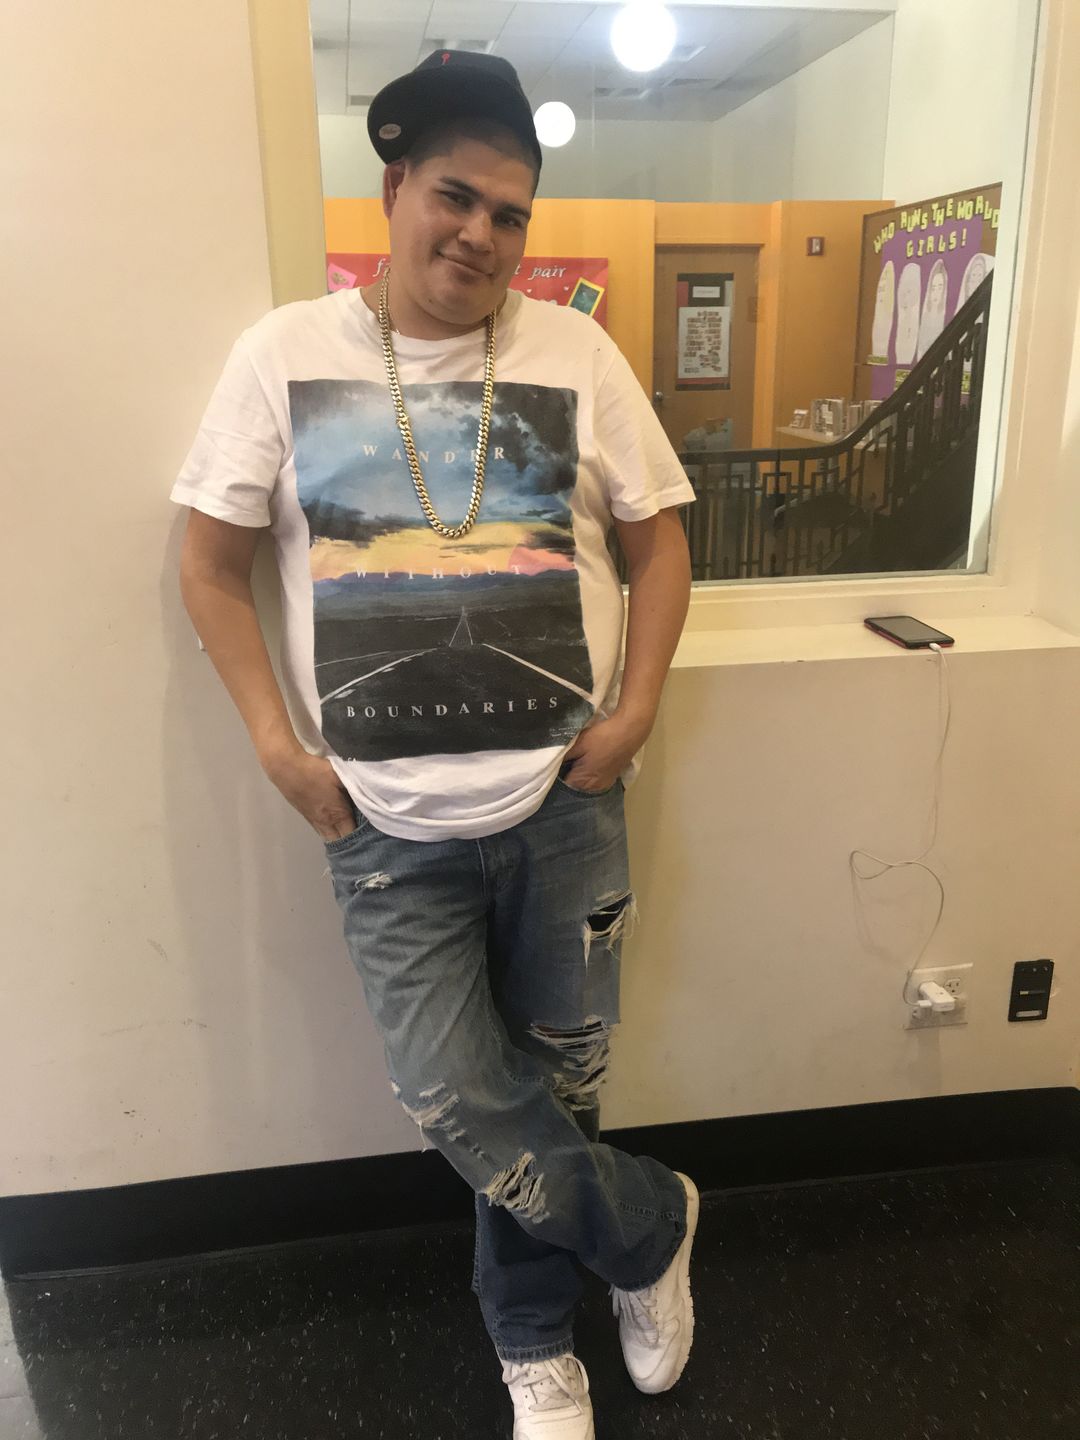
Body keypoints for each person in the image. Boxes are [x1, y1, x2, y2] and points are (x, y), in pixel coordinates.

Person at [172, 49, 698, 1440]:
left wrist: (634, 712)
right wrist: (280, 751)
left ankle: (536, 1347)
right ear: (395, 188)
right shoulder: (283, 355)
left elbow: (658, 546)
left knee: (562, 1085)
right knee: (458, 1095)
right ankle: (648, 1227)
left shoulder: (576, 353)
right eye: (455, 197)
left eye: (510, 214)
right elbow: (209, 564)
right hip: (382, 823)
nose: (479, 235)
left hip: (565, 800)